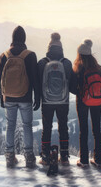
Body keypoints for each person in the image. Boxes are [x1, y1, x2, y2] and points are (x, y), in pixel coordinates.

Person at [0, 26, 40, 168]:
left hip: (8, 97)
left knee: (10, 125)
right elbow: (35, 79)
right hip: (25, 97)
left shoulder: (4, 55)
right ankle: (29, 158)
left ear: (12, 38)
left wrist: (1, 96)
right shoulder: (30, 55)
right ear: (24, 38)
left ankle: (9, 157)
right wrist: (37, 97)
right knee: (27, 126)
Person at [37, 33, 73, 166]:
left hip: (46, 101)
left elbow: (37, 82)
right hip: (63, 101)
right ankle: (64, 157)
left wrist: (38, 98)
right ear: (61, 47)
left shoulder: (42, 62)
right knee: (63, 127)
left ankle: (45, 157)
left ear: (49, 46)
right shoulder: (67, 63)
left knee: (46, 127)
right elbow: (72, 84)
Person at [70, 39, 101, 167]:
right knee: (97, 130)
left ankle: (84, 160)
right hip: (97, 102)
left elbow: (72, 87)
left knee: (83, 131)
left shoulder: (78, 68)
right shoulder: (98, 67)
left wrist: (82, 94)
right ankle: (98, 160)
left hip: (82, 102)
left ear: (79, 54)